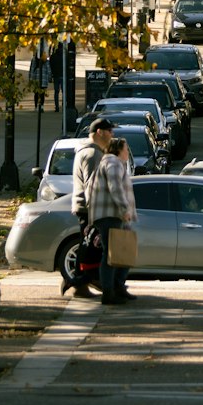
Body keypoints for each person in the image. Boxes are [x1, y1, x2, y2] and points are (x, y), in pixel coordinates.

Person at [64, 116, 116, 298]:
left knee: (87, 246)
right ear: (99, 132)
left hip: (85, 207)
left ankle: (80, 284)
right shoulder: (93, 154)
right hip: (89, 209)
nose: (112, 135)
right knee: (91, 247)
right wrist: (95, 216)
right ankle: (78, 282)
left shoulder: (89, 151)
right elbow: (92, 187)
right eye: (110, 131)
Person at [88, 135, 137, 305]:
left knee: (123, 251)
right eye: (125, 148)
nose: (127, 152)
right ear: (118, 150)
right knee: (112, 254)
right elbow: (115, 187)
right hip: (111, 214)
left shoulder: (109, 162)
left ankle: (118, 287)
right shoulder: (113, 163)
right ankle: (109, 292)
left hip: (111, 214)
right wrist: (125, 210)